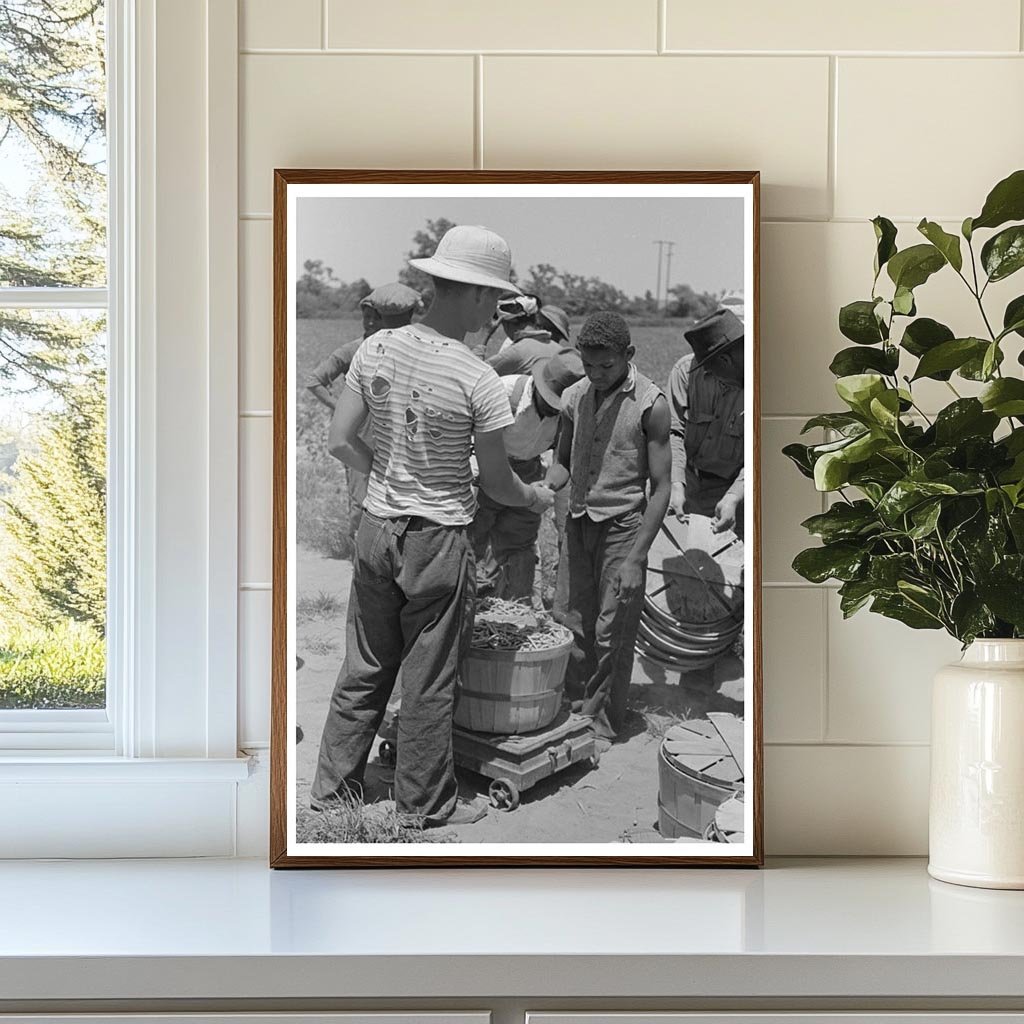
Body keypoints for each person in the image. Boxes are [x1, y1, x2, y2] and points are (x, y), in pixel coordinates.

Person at [311, 225, 554, 828]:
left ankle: (331, 792)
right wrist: (537, 496)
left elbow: (341, 441)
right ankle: (423, 806)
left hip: (376, 529)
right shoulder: (477, 379)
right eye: (491, 299)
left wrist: (383, 472)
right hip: (438, 539)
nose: (492, 313)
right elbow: (498, 484)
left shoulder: (376, 349)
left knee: (365, 664)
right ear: (472, 294)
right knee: (428, 677)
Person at [546, 311, 671, 744]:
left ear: (628, 356)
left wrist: (637, 558)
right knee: (570, 619)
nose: (597, 375)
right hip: (578, 522)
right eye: (589, 365)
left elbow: (661, 489)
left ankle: (601, 722)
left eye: (607, 366)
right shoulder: (574, 398)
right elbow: (561, 464)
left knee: (611, 627)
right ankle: (576, 706)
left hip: (623, 529)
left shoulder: (651, 405)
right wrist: (544, 489)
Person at [306, 283, 422, 540]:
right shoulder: (352, 349)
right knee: (360, 499)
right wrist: (341, 408)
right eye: (365, 317)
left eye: (375, 317)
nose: (369, 322)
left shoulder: (404, 347)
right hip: (360, 435)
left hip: (393, 436)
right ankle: (357, 558)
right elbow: (315, 381)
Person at [472, 349, 584, 601]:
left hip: (529, 472)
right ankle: (464, 610)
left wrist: (546, 486)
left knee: (519, 546)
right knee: (469, 542)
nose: (555, 410)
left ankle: (516, 610)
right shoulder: (502, 393)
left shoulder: (568, 413)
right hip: (486, 469)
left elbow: (562, 460)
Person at [666, 306, 745, 536]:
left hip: (736, 490)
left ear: (725, 359)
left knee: (736, 565)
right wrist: (676, 484)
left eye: (709, 367)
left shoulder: (762, 382)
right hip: (688, 483)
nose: (706, 372)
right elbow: (673, 433)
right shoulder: (684, 372)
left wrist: (733, 496)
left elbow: (760, 451)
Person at [485, 299, 570, 374]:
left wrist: (486, 335)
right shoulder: (561, 351)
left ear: (507, 323)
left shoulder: (516, 351)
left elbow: (477, 373)